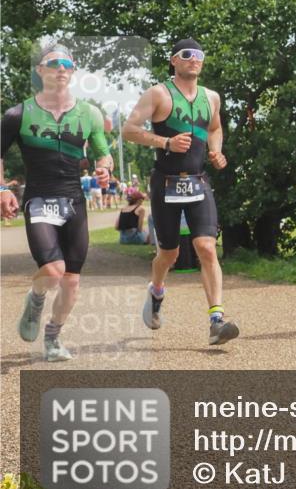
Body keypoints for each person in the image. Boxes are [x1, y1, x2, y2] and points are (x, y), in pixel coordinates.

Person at [0, 44, 114, 361]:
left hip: (74, 200)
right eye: (53, 63)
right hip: (39, 197)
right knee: (52, 270)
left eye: (67, 63)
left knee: (72, 281)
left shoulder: (89, 113)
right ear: (41, 71)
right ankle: (35, 299)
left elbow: (102, 151)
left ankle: (53, 338)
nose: (61, 68)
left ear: (73, 71)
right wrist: (1, 188)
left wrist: (105, 167)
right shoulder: (17, 115)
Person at [123, 38, 237, 346]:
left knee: (207, 247)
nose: (194, 59)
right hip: (165, 183)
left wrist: (215, 151)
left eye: (199, 54)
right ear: (174, 60)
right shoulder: (158, 94)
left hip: (198, 180)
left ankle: (216, 320)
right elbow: (129, 129)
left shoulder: (211, 97)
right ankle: (156, 291)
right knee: (169, 253)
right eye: (187, 55)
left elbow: (214, 128)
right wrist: (166, 143)